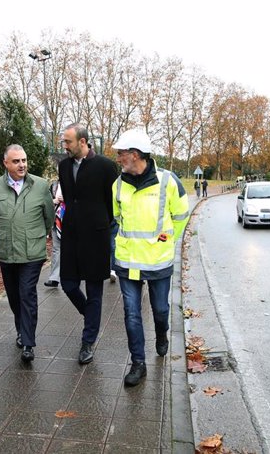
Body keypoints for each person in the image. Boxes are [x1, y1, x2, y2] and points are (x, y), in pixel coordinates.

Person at [111, 128, 189, 386]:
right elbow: (117, 218)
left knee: (160, 309)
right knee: (131, 313)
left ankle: (161, 334)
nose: (119, 158)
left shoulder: (168, 181)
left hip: (158, 261)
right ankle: (138, 364)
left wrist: (166, 240)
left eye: (121, 154)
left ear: (135, 155)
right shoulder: (118, 184)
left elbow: (181, 215)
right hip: (128, 262)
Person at [0, 144, 54, 363]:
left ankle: (28, 343)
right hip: (6, 252)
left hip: (32, 253)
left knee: (27, 294)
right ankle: (20, 329)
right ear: (5, 163)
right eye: (16, 161)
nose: (22, 165)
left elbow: (48, 217)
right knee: (14, 296)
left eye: (24, 160)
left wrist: (36, 235)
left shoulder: (41, 185)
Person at [58, 123, 118, 364]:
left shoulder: (105, 166)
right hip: (71, 235)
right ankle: (90, 316)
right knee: (68, 284)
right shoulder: (63, 166)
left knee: (94, 291)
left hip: (96, 237)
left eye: (68, 142)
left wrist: (101, 222)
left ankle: (88, 342)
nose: (64, 146)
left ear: (82, 142)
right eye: (64, 141)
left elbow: (112, 202)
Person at [44, 172, 63, 288]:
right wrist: (54, 200)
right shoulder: (54, 185)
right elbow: (46, 200)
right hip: (56, 220)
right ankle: (54, 278)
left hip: (72, 222)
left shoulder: (76, 182)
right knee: (56, 249)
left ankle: (77, 275)